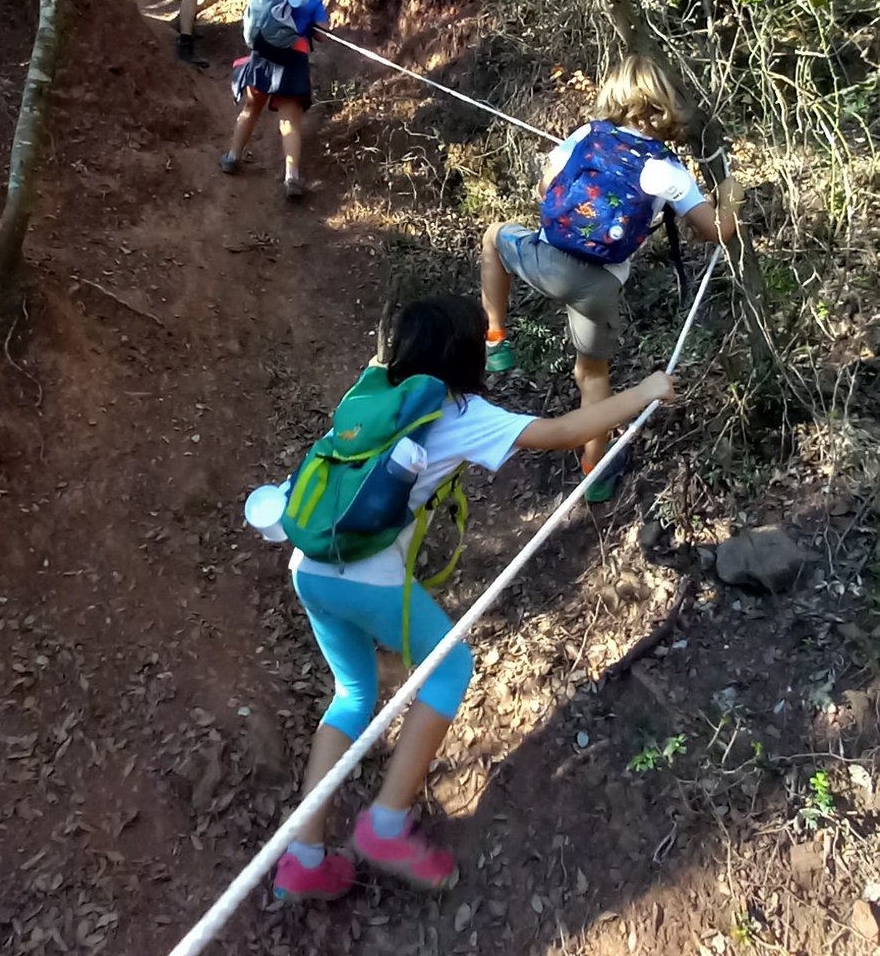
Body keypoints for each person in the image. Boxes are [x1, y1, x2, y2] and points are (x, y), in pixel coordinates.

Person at [273, 294, 676, 902]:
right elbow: (563, 432)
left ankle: (303, 858)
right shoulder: (461, 412)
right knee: (449, 669)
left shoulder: (370, 396)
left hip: (308, 565)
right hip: (366, 575)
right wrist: (644, 391)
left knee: (354, 693)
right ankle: (385, 826)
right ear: (468, 361)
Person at [480, 54, 746, 503]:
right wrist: (732, 196)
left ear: (616, 96)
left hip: (546, 260)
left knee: (492, 237)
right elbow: (716, 231)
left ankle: (496, 342)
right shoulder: (667, 171)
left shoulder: (586, 136)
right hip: (598, 287)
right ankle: (595, 474)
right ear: (666, 104)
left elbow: (545, 190)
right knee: (592, 376)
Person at [219, 0, 328, 198]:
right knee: (290, 121)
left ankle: (232, 157)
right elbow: (322, 33)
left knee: (250, 109)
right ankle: (292, 178)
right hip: (293, 60)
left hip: (262, 57)